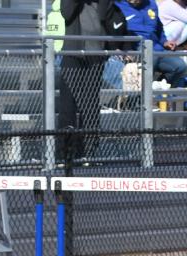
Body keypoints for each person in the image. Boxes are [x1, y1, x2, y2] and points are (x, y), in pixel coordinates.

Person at [58, 0, 110, 161]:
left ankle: (90, 153)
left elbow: (104, 14)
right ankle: (65, 154)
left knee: (91, 106)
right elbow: (66, 13)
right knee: (68, 106)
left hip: (96, 56)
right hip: (73, 54)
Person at [113, 0, 187, 89]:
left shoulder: (151, 4)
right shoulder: (117, 6)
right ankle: (142, 95)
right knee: (151, 58)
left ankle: (160, 94)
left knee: (180, 66)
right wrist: (120, 48)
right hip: (135, 48)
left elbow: (158, 27)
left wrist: (164, 41)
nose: (135, 1)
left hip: (156, 47)